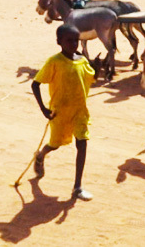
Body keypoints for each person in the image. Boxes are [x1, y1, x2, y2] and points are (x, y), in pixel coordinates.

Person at [32, 24, 96, 201]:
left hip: (80, 112)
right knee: (55, 144)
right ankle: (40, 155)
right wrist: (44, 109)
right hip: (60, 114)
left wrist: (96, 67)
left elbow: (90, 76)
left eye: (76, 40)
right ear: (59, 42)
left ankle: (77, 187)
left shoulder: (82, 60)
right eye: (69, 40)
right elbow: (35, 84)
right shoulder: (54, 62)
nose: (74, 44)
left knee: (82, 143)